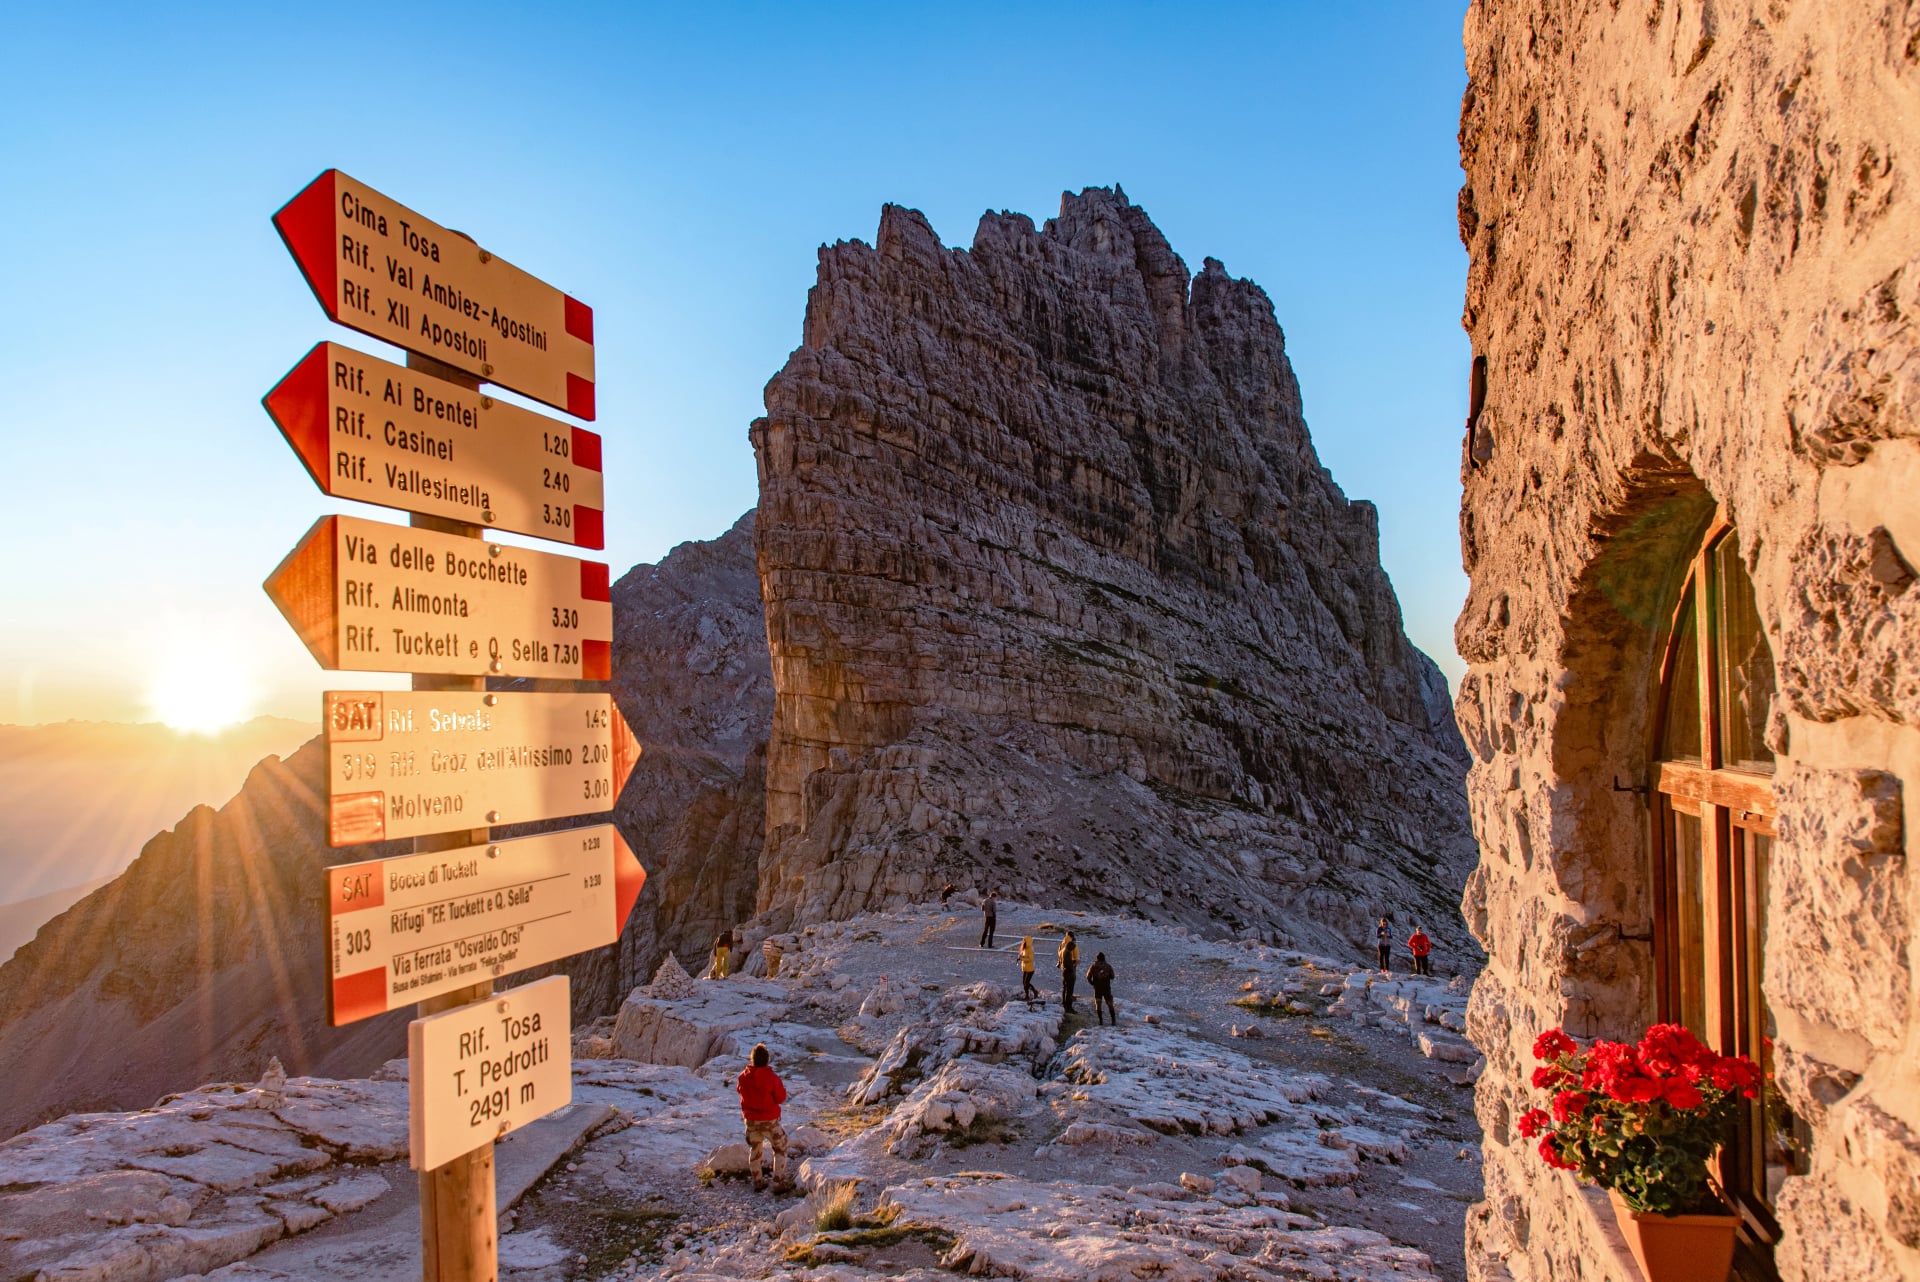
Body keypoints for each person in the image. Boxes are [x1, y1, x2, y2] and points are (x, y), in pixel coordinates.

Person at [736, 1043, 789, 1191]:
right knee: (780, 1147)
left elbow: (740, 1093)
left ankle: (757, 1181)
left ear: (751, 1059)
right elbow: (781, 1097)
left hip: (751, 1120)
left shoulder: (742, 1077)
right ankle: (778, 1182)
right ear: (767, 1059)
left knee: (755, 1148)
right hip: (769, 1120)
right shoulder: (771, 1077)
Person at [1087, 951, 1116, 1025]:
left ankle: (1101, 1021)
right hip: (1106, 988)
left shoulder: (1093, 966)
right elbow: (1112, 976)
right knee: (1110, 1004)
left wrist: (1092, 983)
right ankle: (1113, 1021)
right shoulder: (1108, 966)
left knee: (1098, 1004)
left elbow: (1088, 977)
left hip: (1097, 988)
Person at [1058, 930, 1079, 1014]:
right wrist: (1074, 963)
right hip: (1069, 969)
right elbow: (1075, 956)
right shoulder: (1070, 946)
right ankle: (1068, 1006)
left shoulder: (1062, 943)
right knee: (1070, 988)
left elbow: (1059, 954)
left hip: (1063, 968)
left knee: (1065, 987)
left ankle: (1064, 1001)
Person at [1018, 935, 1038, 1002]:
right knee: (1024, 983)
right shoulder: (1024, 948)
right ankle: (1027, 995)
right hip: (1025, 968)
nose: (1023, 942)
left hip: (1030, 969)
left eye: (1024, 941)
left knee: (1026, 983)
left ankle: (1034, 992)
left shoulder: (1030, 949)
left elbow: (1030, 959)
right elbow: (1023, 956)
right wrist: (1020, 957)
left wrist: (1022, 958)